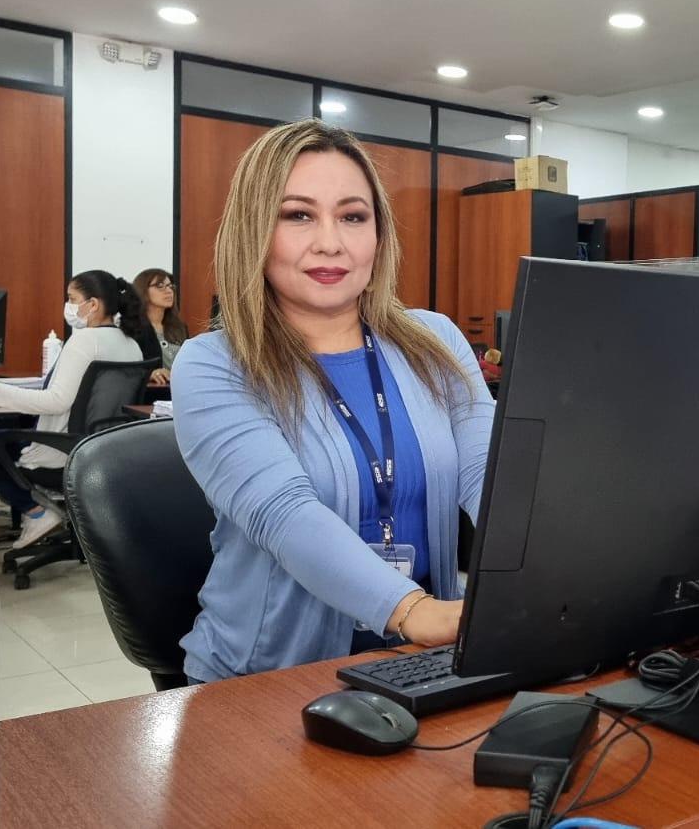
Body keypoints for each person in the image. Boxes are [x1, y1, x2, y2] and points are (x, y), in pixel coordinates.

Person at [171, 119, 492, 684]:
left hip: (422, 663)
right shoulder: (214, 363)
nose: (330, 242)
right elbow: (285, 514)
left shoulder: (435, 340)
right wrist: (416, 612)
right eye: (298, 215)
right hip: (266, 678)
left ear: (378, 235)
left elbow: (491, 473)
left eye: (353, 216)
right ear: (254, 231)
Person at [0, 270, 145, 548]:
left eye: (72, 299)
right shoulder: (131, 344)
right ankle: (44, 511)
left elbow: (56, 401)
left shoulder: (84, 340)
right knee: (1, 435)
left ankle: (36, 512)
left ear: (93, 304)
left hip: (64, 452)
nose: (68, 306)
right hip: (103, 451)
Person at [132, 267, 187, 386]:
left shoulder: (179, 327)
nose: (169, 291)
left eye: (170, 286)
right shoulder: (133, 329)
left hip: (180, 389)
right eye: (160, 286)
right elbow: (125, 369)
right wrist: (149, 374)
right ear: (142, 290)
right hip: (152, 391)